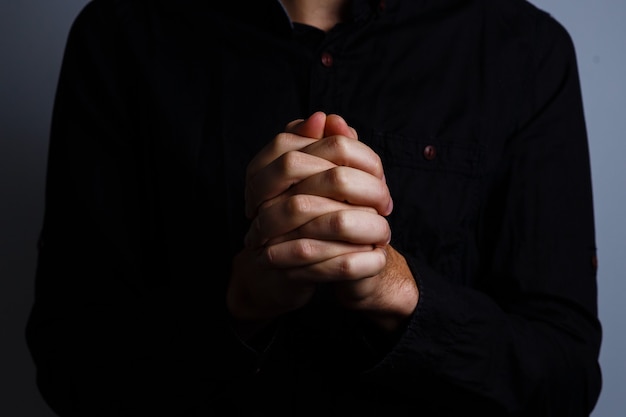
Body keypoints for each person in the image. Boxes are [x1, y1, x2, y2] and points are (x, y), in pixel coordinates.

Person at [26, 0, 602, 416]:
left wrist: (398, 291)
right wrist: (241, 304)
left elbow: (565, 380)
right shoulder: (121, 33)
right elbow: (71, 366)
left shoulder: (523, 49)